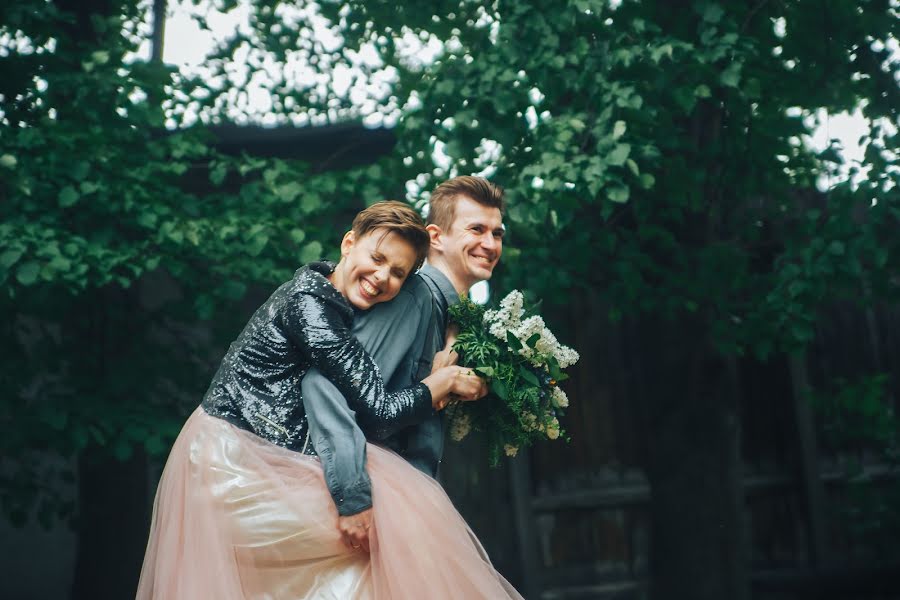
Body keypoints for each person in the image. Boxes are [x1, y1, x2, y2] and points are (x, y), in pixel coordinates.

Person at [136, 200, 522, 599]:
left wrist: (452, 337)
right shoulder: (311, 306)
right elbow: (379, 410)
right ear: (347, 243)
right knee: (391, 535)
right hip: (228, 458)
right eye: (376, 258)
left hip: (265, 451)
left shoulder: (334, 300)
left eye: (397, 273)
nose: (381, 277)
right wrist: (445, 383)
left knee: (373, 558)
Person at [302, 175, 505, 551]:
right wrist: (353, 497)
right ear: (436, 237)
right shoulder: (413, 298)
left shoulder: (455, 320)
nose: (490, 244)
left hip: (407, 500)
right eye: (476, 229)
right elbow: (324, 385)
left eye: (497, 233)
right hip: (370, 505)